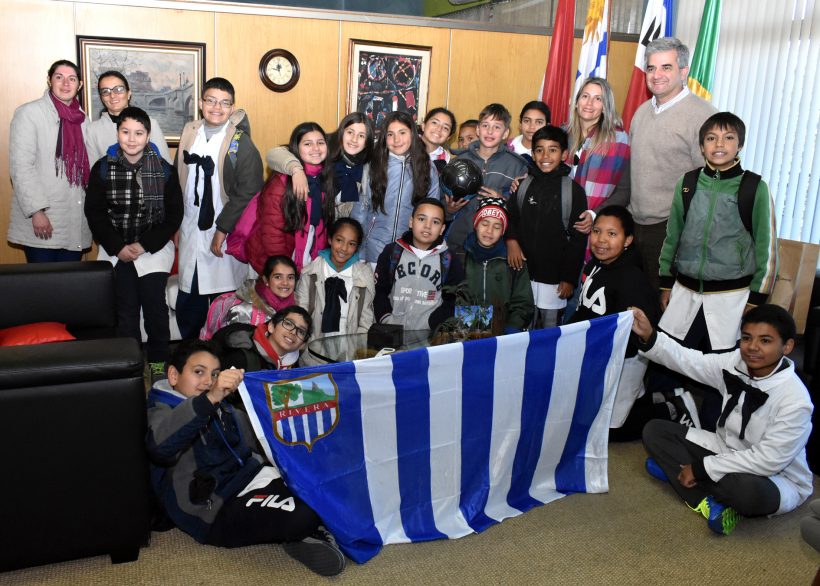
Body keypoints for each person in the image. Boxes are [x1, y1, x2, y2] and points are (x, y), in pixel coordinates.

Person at [146, 339, 345, 576]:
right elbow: (160, 447)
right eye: (198, 372)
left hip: (254, 478)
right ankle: (309, 531)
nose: (208, 381)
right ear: (173, 375)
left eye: (215, 374)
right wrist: (210, 399)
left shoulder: (221, 406)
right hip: (217, 509)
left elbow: (258, 440)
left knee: (329, 481)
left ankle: (307, 534)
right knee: (305, 513)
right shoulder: (161, 409)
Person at [635, 304, 813, 536]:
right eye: (747, 338)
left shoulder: (796, 400)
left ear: (787, 346)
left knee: (746, 492)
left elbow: (768, 461)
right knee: (654, 431)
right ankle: (711, 500)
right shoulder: (735, 362)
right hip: (726, 449)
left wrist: (701, 468)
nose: (753, 347)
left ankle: (681, 475)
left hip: (774, 477)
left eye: (765, 340)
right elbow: (691, 361)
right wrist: (650, 336)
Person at [656, 112, 778, 431]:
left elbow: (767, 248)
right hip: (684, 291)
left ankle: (713, 431)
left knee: (722, 370)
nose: (719, 144)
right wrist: (666, 283)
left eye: (728, 137)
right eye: (711, 138)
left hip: (730, 297)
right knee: (667, 356)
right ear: (702, 146)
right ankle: (669, 417)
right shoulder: (688, 183)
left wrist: (756, 299)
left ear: (740, 145)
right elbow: (673, 235)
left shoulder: (754, 187)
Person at [84, 107, 183, 378]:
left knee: (155, 309)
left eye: (138, 133)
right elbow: (95, 213)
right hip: (117, 249)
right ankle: (130, 366)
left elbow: (174, 215)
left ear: (148, 136)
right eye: (125, 132)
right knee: (126, 311)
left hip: (153, 249)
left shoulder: (164, 170)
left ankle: (158, 364)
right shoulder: (102, 168)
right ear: (117, 133)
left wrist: (144, 245)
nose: (131, 139)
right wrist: (118, 247)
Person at [174, 77, 264, 339]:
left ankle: (222, 356)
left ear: (232, 107)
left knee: (223, 303)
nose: (217, 107)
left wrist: (222, 229)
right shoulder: (190, 132)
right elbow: (180, 180)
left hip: (224, 229)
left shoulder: (240, 143)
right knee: (189, 300)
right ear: (201, 103)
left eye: (225, 103)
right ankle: (191, 353)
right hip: (190, 226)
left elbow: (249, 191)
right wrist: (177, 223)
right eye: (211, 101)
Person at [628, 37, 716, 292]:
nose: (656, 75)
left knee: (664, 302)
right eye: (651, 68)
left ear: (684, 71)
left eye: (666, 67)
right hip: (635, 223)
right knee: (636, 300)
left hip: (672, 230)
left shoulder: (704, 117)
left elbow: (711, 183)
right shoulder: (641, 112)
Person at [569, 206, 658, 440]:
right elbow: (583, 310)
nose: (601, 240)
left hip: (624, 358)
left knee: (606, 432)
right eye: (597, 231)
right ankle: (641, 397)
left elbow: (638, 336)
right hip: (596, 354)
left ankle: (668, 409)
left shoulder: (632, 279)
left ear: (627, 240)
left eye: (612, 234)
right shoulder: (593, 266)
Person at [562, 76, 631, 323]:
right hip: (558, 232)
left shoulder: (618, 139)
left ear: (606, 105)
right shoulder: (562, 134)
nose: (589, 103)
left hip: (593, 234)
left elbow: (624, 191)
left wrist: (594, 215)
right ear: (576, 101)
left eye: (598, 98)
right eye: (585, 96)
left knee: (578, 306)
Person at [8, 59, 91, 262]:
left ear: (79, 85)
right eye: (59, 77)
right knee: (43, 281)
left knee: (70, 281)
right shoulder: (29, 113)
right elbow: (21, 167)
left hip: (74, 222)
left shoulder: (83, 119)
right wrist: (36, 211)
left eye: (72, 79)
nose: (66, 84)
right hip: (42, 221)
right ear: (49, 80)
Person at [505, 126, 587, 329]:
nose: (545, 156)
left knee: (549, 333)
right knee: (520, 326)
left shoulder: (574, 191)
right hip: (521, 275)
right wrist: (512, 241)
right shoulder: (522, 185)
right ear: (533, 154)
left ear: (564, 154)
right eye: (539, 150)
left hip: (555, 280)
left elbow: (578, 239)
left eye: (553, 150)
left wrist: (569, 278)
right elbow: (510, 217)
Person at [351, 111, 440, 264]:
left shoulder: (427, 167)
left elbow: (432, 211)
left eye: (402, 133)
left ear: (412, 134)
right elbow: (361, 209)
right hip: (373, 249)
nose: (396, 139)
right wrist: (359, 250)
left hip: (410, 251)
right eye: (390, 134)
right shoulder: (373, 165)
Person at [246, 122, 334, 274]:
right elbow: (273, 235)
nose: (316, 148)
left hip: (309, 256)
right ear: (296, 148)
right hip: (276, 262)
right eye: (308, 144)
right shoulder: (281, 183)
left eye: (320, 143)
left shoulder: (324, 177)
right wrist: (283, 270)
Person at [447, 103, 529, 257]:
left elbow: (524, 210)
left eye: (497, 127)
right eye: (485, 125)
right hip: (459, 243)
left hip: (497, 248)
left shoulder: (517, 166)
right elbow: (441, 203)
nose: (490, 131)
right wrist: (449, 209)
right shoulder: (458, 162)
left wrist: (502, 200)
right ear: (478, 130)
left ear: (505, 133)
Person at [374, 198, 464, 331]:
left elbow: (454, 300)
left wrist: (432, 324)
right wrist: (386, 319)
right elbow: (379, 291)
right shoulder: (392, 251)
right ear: (411, 222)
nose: (427, 226)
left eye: (435, 222)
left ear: (442, 229)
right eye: (422, 219)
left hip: (429, 337)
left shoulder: (449, 259)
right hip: (391, 333)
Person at [267, 112, 374, 218]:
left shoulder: (366, 165)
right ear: (342, 132)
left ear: (367, 141)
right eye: (350, 132)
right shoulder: (322, 146)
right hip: (304, 215)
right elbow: (274, 153)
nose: (354, 139)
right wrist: (296, 170)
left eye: (361, 136)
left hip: (337, 223)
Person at [459, 197, 533, 335]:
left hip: (503, 333)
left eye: (497, 227)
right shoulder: (461, 255)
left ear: (503, 231)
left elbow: (523, 302)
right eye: (485, 223)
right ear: (476, 225)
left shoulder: (513, 260)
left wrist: (512, 327)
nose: (489, 231)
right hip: (467, 331)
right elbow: (452, 296)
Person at [296, 217, 375, 341]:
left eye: (351, 244)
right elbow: (300, 314)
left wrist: (355, 348)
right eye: (339, 240)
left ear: (357, 248)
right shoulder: (311, 273)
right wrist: (309, 346)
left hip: (350, 349)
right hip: (313, 347)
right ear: (330, 239)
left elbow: (366, 323)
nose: (344, 248)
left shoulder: (364, 278)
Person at [200, 255, 298, 341]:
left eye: (290, 277)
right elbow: (238, 347)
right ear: (266, 280)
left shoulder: (295, 305)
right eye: (278, 277)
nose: (285, 283)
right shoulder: (245, 309)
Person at [85, 70, 171, 164]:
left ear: (129, 93)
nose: (112, 95)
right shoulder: (93, 130)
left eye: (118, 89)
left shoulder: (151, 124)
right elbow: (94, 169)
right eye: (105, 91)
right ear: (101, 97)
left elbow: (166, 165)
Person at [213, 305, 312, 371]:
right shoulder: (242, 357)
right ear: (271, 326)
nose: (293, 332)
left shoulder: (295, 367)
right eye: (288, 324)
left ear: (302, 344)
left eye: (301, 331)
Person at [507, 100, 551, 164]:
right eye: (527, 121)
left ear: (547, 126)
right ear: (520, 124)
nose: (532, 127)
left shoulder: (553, 154)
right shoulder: (506, 147)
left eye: (539, 122)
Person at [419, 107, 457, 172]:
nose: (439, 129)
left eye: (445, 128)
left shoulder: (445, 158)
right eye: (434, 123)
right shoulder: (407, 144)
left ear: (448, 137)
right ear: (423, 126)